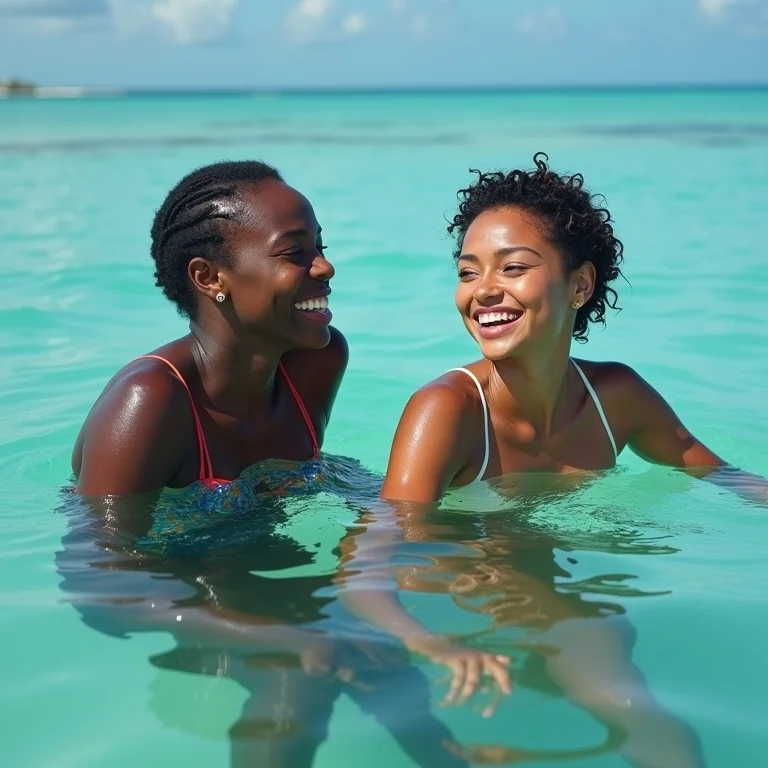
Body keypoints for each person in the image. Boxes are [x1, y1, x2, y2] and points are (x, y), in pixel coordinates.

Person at [337, 154, 768, 768]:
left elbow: (722, 475)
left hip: (547, 569)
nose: (484, 290)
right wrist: (432, 645)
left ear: (580, 285)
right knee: (651, 725)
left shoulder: (616, 396)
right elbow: (369, 558)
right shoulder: (448, 409)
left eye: (513, 268)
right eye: (467, 272)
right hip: (457, 576)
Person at [63, 160, 467, 767]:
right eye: (294, 253)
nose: (325, 267)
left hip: (270, 552)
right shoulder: (152, 400)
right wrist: (273, 635)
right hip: (186, 584)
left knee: (387, 658)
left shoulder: (316, 362)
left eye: (321, 248)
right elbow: (98, 581)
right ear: (210, 276)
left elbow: (298, 485)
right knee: (296, 679)